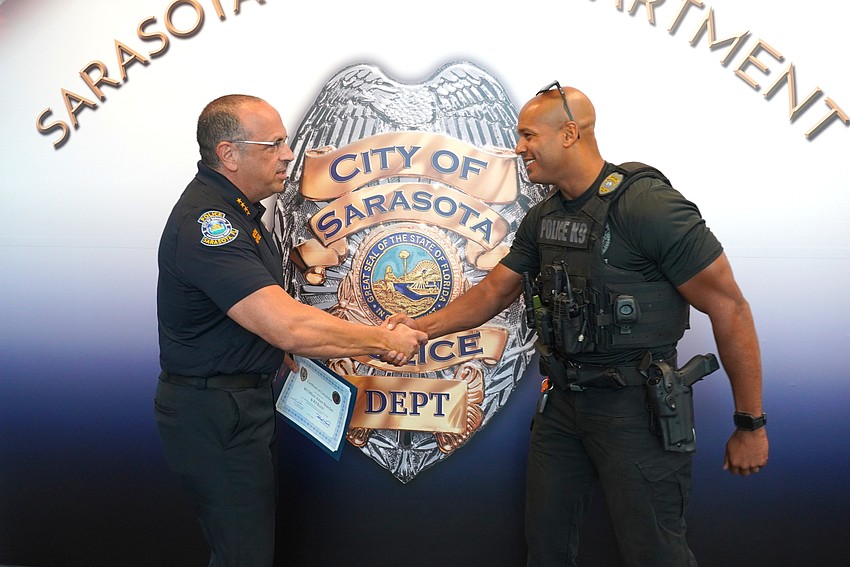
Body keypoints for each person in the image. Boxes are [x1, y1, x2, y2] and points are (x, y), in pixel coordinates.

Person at [387, 83, 769, 566]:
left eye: (528, 135)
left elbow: (730, 306)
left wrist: (750, 423)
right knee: (546, 549)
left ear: (569, 133)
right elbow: (494, 291)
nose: (518, 147)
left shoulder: (647, 206)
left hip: (637, 410)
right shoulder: (543, 217)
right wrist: (420, 328)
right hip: (563, 407)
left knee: (655, 553)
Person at [154, 94, 426, 567]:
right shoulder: (210, 224)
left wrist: (264, 351)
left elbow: (244, 317)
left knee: (246, 548)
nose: (287, 154)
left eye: (286, 142)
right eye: (274, 144)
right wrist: (384, 340)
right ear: (229, 155)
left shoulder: (240, 214)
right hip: (217, 413)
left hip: (236, 404)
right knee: (243, 555)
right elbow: (286, 323)